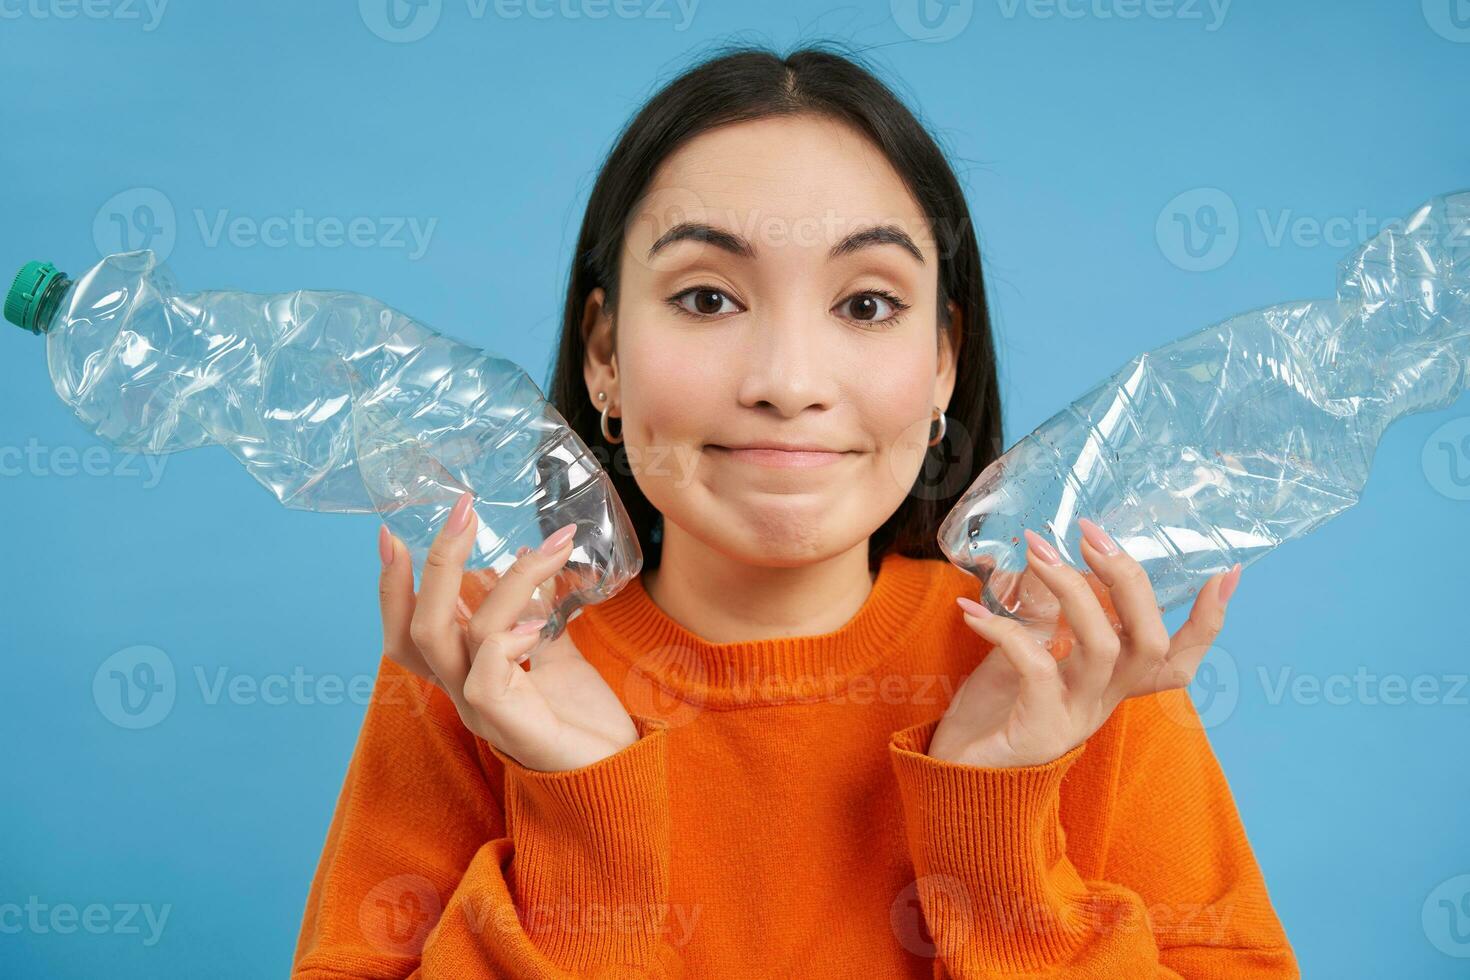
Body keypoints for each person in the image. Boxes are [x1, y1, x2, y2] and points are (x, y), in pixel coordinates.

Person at [292, 41, 1298, 978]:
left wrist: (999, 830)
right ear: (604, 354)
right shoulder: (486, 663)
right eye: (705, 298)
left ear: (943, 357)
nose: (787, 380)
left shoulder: (1071, 661)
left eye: (866, 304)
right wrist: (582, 814)